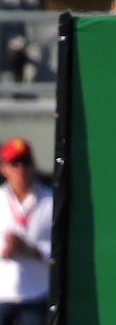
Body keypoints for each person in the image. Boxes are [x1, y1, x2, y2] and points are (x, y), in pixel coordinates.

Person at [0, 137, 51, 322]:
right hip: (3, 292)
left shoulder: (49, 201)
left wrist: (31, 250)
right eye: (14, 163)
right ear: (4, 168)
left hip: (35, 294)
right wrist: (4, 250)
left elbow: (61, 249)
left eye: (25, 161)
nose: (20, 169)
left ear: (33, 165)